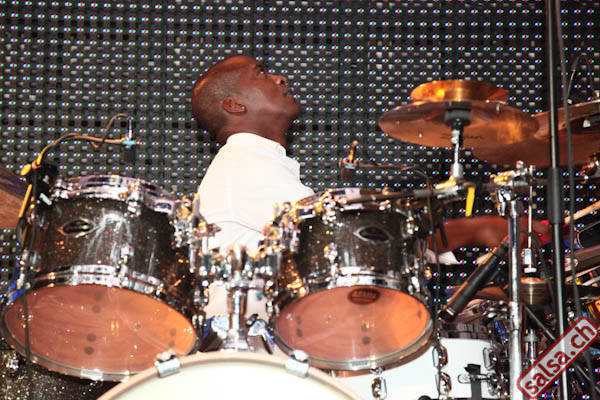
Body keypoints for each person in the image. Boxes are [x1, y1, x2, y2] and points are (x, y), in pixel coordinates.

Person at [191, 55, 549, 254]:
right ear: (234, 105)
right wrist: (476, 228)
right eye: (262, 73)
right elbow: (356, 239)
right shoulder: (244, 165)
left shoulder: (258, 162)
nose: (280, 77)